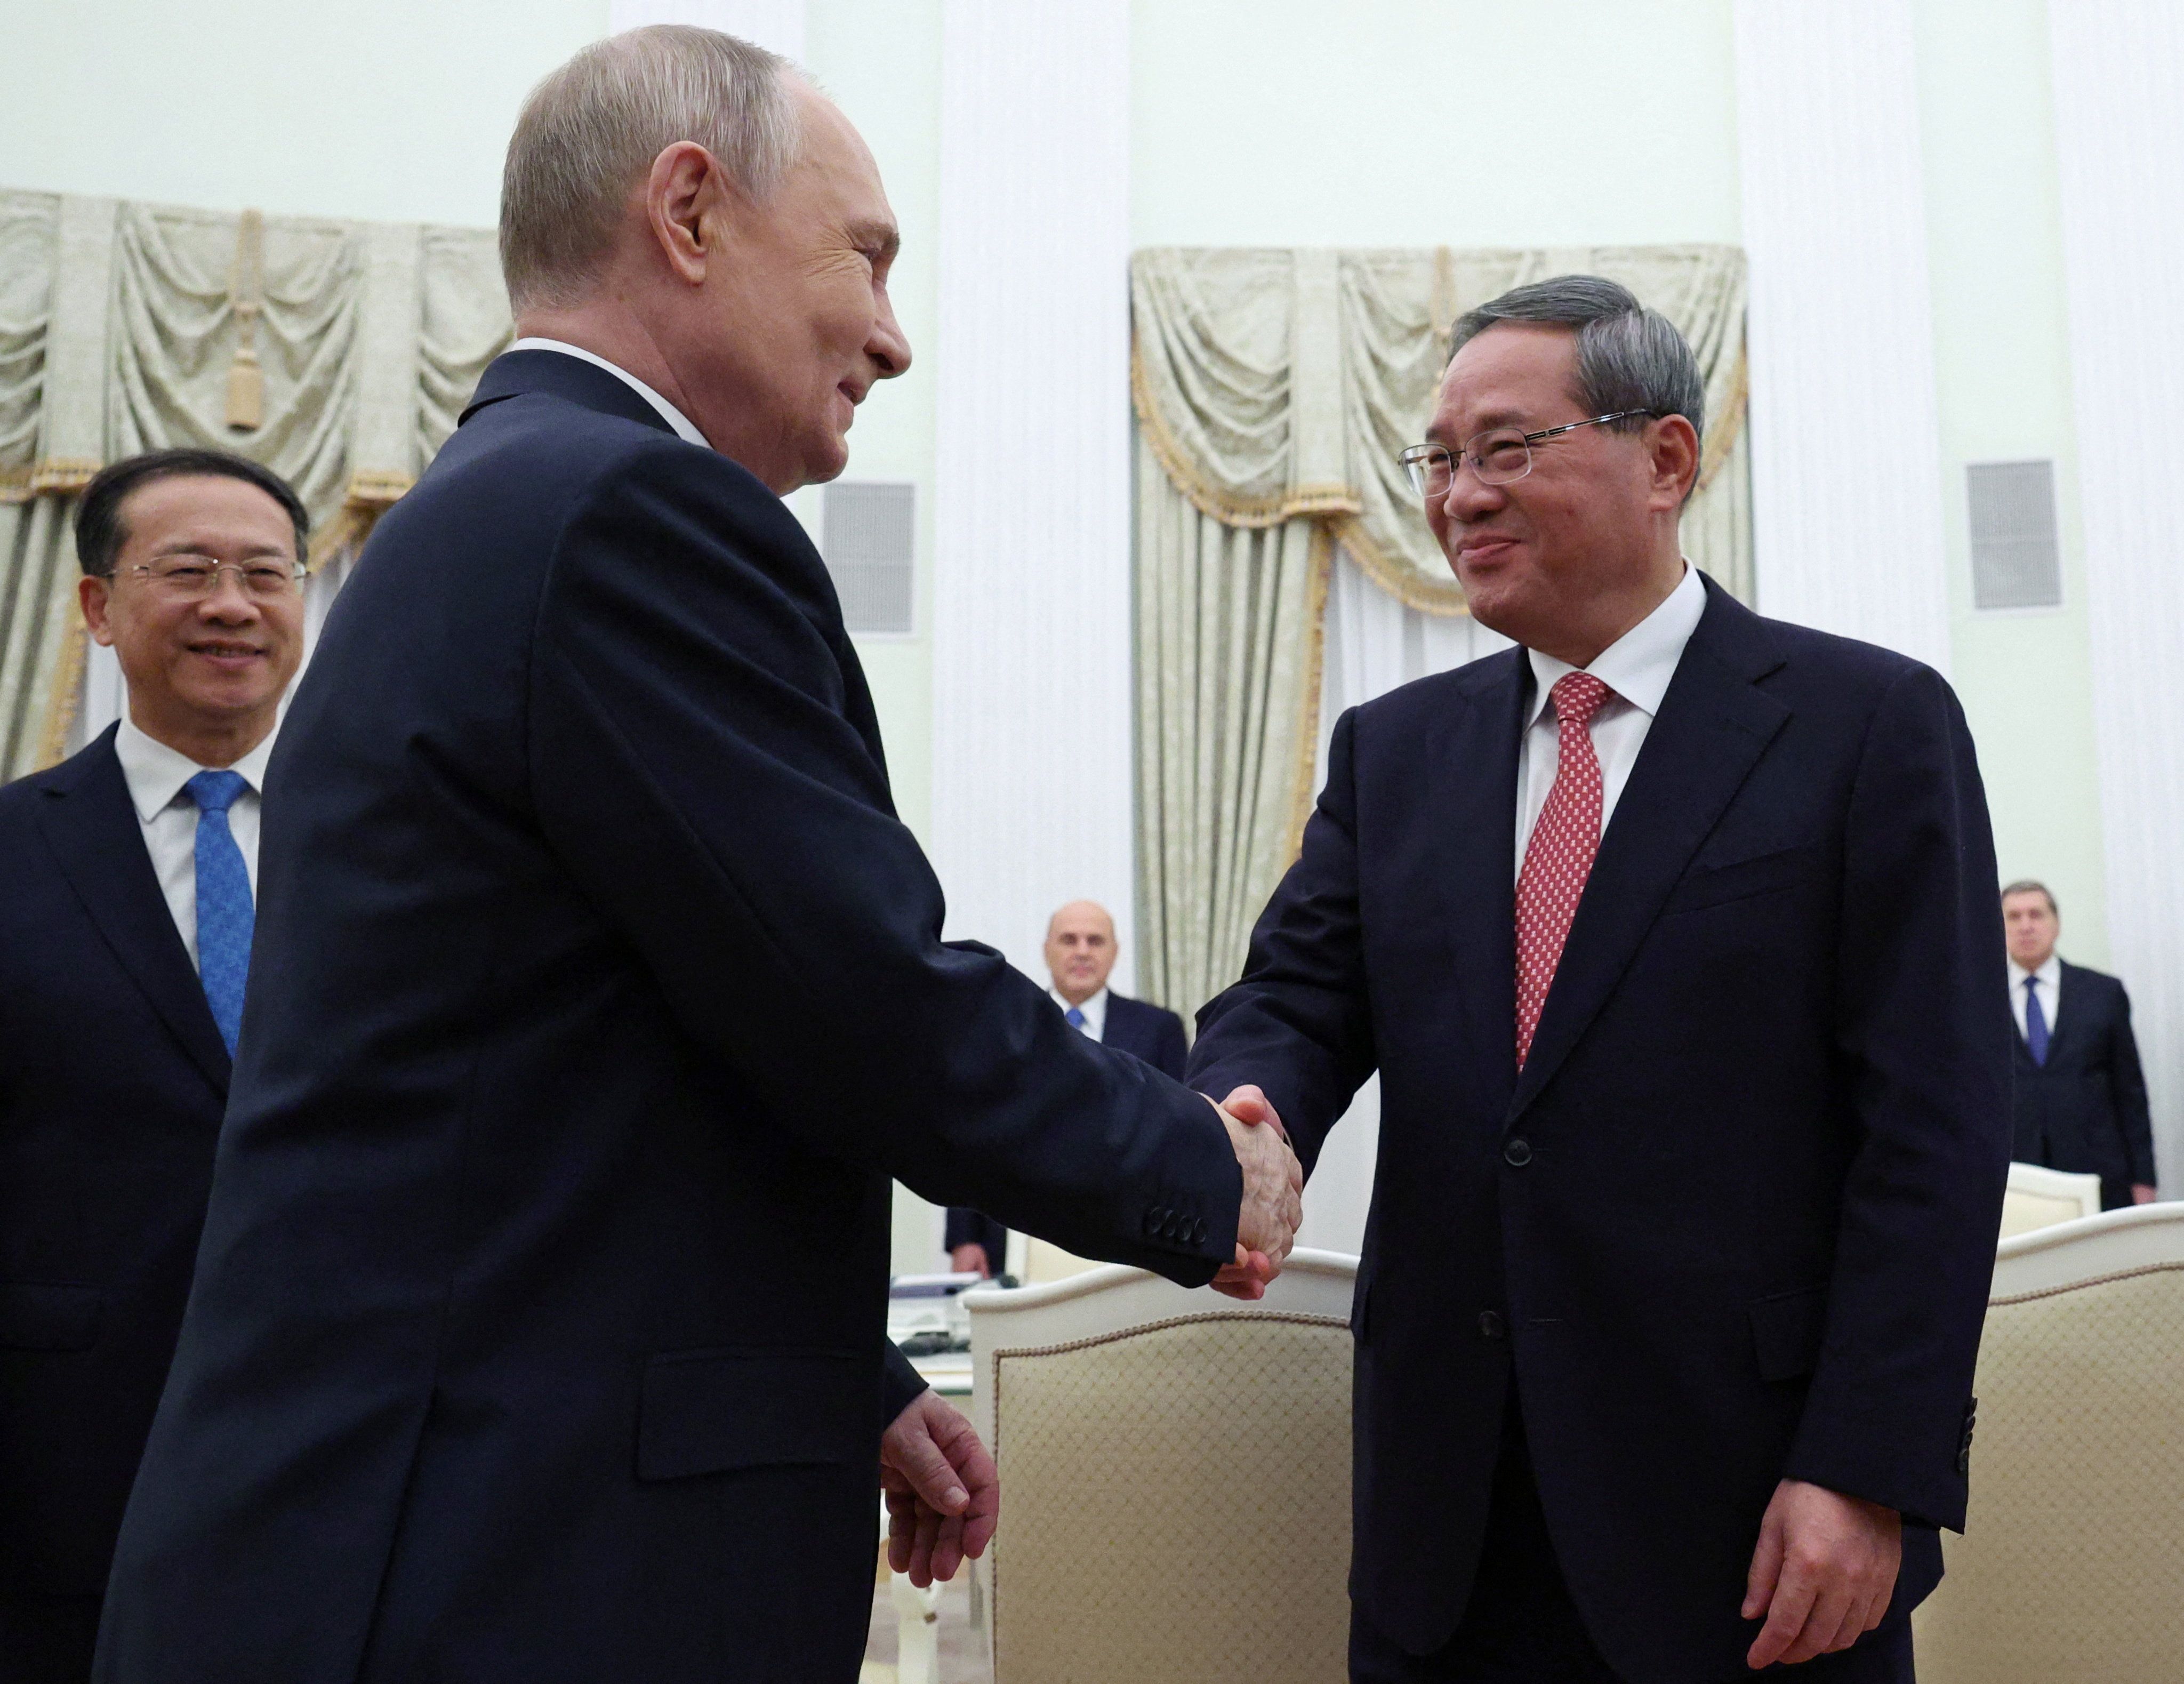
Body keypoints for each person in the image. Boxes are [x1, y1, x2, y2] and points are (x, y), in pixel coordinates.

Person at [93, 29, 1299, 1684]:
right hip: (492, 1560)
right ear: (688, 210)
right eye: (866, 255)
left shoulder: (494, 506)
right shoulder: (626, 514)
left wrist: (842, 1375)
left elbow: (574, 1080)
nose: (890, 331)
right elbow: (856, 990)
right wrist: (1199, 1169)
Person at [1188, 276, 2010, 1683]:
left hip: (1756, 1519)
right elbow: (1292, 1003)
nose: (1457, 496)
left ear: (1666, 460)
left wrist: (1866, 1469)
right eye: (1440, 460)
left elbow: (1935, 1128)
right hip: (1444, 1525)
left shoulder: (1865, 726)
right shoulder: (1396, 755)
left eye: (1505, 448)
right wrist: (1234, 1125)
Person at [0, 448, 306, 1683]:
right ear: (96, 606)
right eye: (186, 570)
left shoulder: (411, 859)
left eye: (264, 574)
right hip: (59, 1489)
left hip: (351, 1472)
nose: (230, 604)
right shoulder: (15, 853)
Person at [946, 901, 1189, 1276]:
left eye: (1095, 941)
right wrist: (965, 1237)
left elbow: (1177, 1135)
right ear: (1047, 949)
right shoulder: (1004, 1024)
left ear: (1114, 953)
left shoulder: (1158, 1030)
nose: (1081, 951)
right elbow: (971, 1129)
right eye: (1068, 939)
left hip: (1129, 1235)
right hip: (1015, 1232)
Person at [2003, 880, 2156, 1207]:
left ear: (2055, 924)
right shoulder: (1980, 1002)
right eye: (2013, 917)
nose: (2025, 926)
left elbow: (2130, 1091)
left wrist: (2143, 1178)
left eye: (2036, 915)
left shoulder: (2103, 993)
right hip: (2015, 1179)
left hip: (2098, 1171)